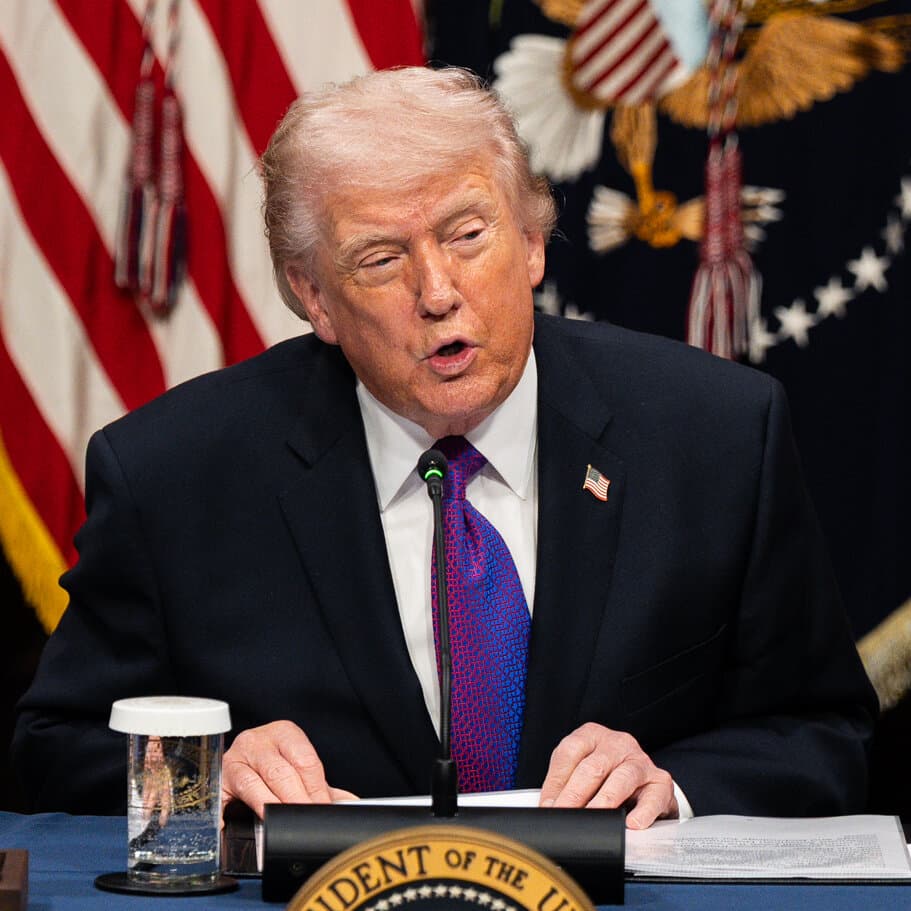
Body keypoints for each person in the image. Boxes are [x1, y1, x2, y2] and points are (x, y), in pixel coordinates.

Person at [13, 67, 876, 828]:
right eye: (380, 259)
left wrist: (671, 785)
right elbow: (52, 747)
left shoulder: (715, 434)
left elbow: (822, 731)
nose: (437, 292)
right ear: (314, 296)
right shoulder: (175, 474)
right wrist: (203, 772)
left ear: (531, 242)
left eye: (467, 234)